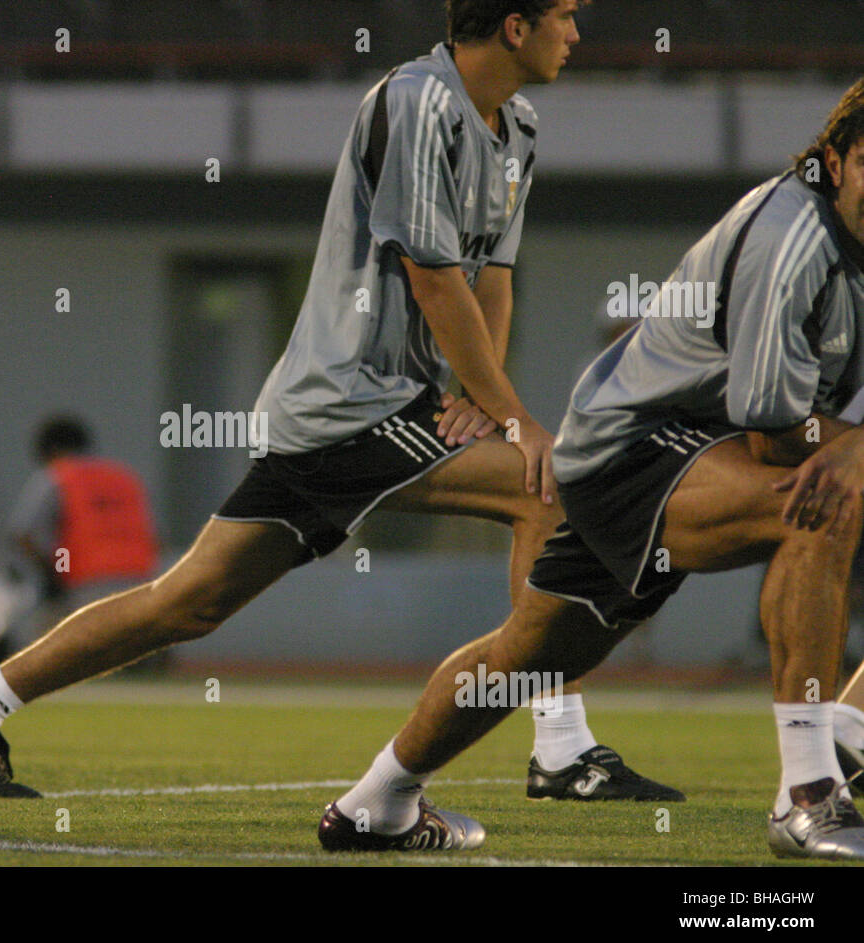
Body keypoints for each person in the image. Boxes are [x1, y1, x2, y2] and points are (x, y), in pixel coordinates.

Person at [0, 0, 681, 812]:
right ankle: (559, 746)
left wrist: (476, 398)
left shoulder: (518, 127)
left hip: (377, 407)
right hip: (349, 401)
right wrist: (516, 418)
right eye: (565, 14)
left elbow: (491, 276)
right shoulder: (415, 101)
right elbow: (430, 272)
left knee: (188, 603)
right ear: (514, 26)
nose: (578, 33)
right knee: (547, 488)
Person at [316, 77, 864, 857]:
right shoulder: (794, 239)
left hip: (696, 451)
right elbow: (777, 436)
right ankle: (809, 790)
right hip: (635, 450)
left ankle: (377, 799)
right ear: (835, 160)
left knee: (529, 653)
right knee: (817, 500)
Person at [7, 416, 159, 653]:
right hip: (142, 584)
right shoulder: (126, 478)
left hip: (85, 587)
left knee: (28, 641)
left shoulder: (56, 477)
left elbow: (24, 536)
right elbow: (155, 537)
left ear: (51, 450)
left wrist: (55, 571)